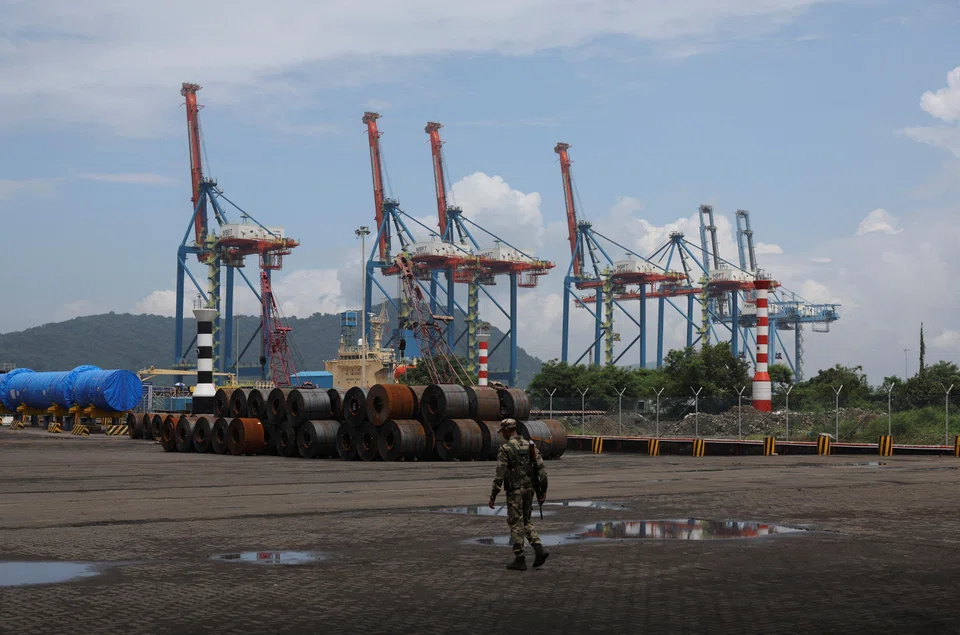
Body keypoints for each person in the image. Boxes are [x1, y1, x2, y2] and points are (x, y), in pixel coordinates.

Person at [489, 418, 549, 570]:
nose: (502, 434)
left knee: (515, 522)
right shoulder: (530, 445)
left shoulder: (506, 448)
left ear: (507, 431)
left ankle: (520, 558)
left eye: (502, 431)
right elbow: (542, 471)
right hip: (530, 490)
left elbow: (500, 474)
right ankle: (539, 548)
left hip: (515, 491)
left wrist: (493, 495)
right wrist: (543, 491)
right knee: (526, 521)